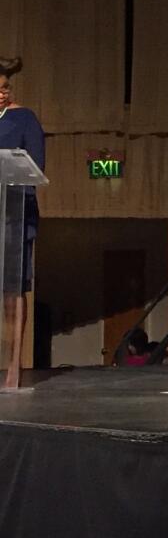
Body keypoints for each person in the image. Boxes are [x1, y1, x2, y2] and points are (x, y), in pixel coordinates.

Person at [0, 56, 46, 389]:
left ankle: (14, 364)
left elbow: (35, 166)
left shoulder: (24, 118)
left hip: (15, 213)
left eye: (5, 87)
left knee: (12, 290)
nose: (2, 94)